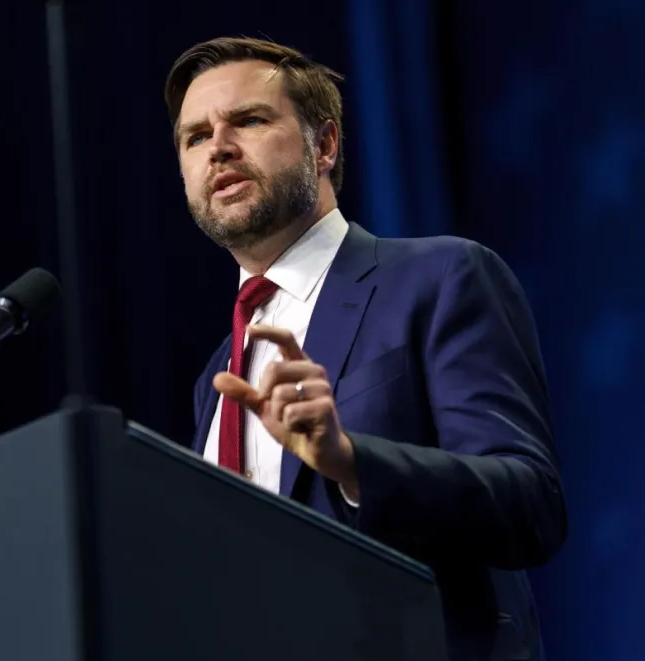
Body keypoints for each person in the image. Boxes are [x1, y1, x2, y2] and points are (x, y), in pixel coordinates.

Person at [164, 36, 567, 661]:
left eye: (248, 120)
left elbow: (528, 504)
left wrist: (352, 462)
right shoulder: (215, 377)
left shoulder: (439, 278)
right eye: (195, 137)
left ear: (324, 146)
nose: (218, 147)